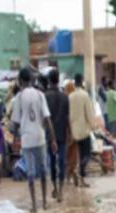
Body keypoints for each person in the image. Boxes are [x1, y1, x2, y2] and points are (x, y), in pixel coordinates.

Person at [12, 68, 58, 213]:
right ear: (32, 80)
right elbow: (47, 119)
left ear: (20, 81)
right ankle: (44, 202)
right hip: (40, 138)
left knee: (30, 173)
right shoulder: (40, 95)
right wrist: (53, 139)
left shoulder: (18, 97)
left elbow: (15, 122)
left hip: (26, 140)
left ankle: (33, 206)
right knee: (43, 170)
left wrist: (15, 138)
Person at [69, 74, 99, 188]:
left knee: (81, 154)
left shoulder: (70, 96)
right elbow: (89, 113)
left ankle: (81, 179)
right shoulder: (85, 95)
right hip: (84, 131)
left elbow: (70, 115)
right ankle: (78, 171)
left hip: (75, 131)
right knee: (87, 154)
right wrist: (94, 127)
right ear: (81, 82)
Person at [44, 69, 69, 200]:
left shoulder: (46, 97)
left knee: (52, 162)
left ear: (49, 80)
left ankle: (54, 188)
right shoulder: (65, 97)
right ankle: (61, 191)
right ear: (58, 80)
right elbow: (68, 118)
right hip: (62, 135)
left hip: (50, 136)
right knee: (62, 162)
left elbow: (44, 119)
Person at [63, 81, 81, 187]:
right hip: (75, 129)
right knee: (75, 153)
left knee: (67, 152)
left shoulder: (65, 99)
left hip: (67, 130)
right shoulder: (75, 100)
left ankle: (68, 177)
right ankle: (73, 170)